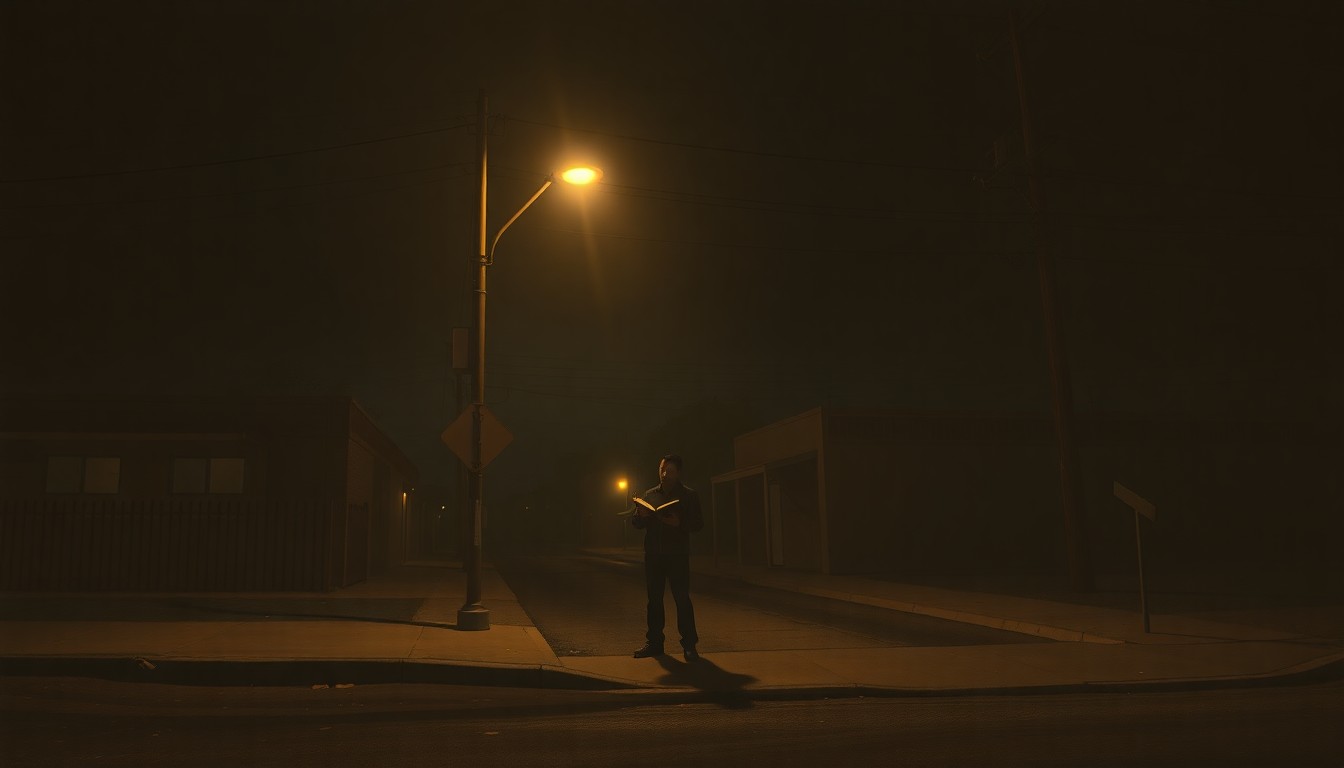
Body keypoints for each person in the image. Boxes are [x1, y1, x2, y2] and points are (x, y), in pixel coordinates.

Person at [629, 453, 703, 661]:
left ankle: (689, 645)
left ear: (678, 473)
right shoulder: (650, 494)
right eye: (661, 470)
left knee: (682, 599)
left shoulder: (689, 495)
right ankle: (654, 643)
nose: (664, 474)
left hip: (677, 555)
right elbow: (637, 524)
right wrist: (639, 516)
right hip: (654, 555)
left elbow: (698, 524)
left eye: (669, 471)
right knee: (654, 601)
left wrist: (679, 524)